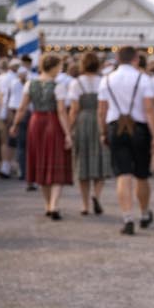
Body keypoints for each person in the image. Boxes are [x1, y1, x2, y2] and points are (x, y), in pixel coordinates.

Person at [99, 46, 154, 235]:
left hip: (115, 126)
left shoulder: (106, 79)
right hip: (139, 127)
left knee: (123, 174)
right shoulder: (144, 79)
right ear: (136, 59)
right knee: (141, 174)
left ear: (117, 58)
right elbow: (149, 110)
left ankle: (127, 217)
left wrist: (103, 132)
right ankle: (144, 213)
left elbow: (102, 110)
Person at [9, 53, 73, 219]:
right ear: (53, 67)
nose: (60, 70)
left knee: (41, 162)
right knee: (55, 161)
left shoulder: (30, 83)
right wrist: (68, 133)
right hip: (52, 122)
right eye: (59, 67)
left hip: (36, 122)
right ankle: (54, 204)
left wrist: (15, 124)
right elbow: (61, 111)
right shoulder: (58, 86)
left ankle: (47, 204)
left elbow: (22, 108)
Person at [66, 51, 111, 215]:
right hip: (100, 119)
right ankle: (96, 195)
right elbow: (105, 106)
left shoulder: (76, 83)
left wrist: (68, 129)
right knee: (101, 160)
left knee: (82, 162)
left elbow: (74, 109)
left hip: (83, 120)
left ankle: (85, 205)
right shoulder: (104, 81)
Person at [0, 59, 21, 178]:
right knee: (12, 140)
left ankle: (6, 165)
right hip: (11, 111)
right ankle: (10, 165)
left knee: (4, 141)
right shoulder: (14, 78)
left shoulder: (0, 78)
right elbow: (3, 96)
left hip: (3, 111)